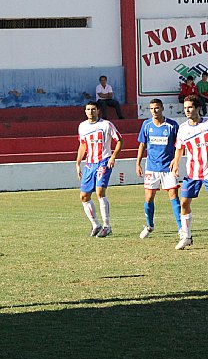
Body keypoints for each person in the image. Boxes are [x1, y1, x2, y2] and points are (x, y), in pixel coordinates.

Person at [76, 101, 124, 238]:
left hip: (103, 161)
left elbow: (120, 140)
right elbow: (82, 145)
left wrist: (113, 156)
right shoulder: (82, 126)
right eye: (88, 109)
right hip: (89, 164)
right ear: (85, 111)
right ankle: (95, 225)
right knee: (84, 196)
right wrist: (78, 162)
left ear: (98, 111)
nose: (90, 112)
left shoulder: (106, 125)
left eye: (93, 109)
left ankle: (107, 226)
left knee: (99, 192)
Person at [135, 98, 181, 239]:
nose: (154, 111)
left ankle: (181, 228)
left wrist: (175, 161)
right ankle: (149, 226)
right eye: (151, 109)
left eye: (156, 108)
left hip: (168, 168)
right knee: (149, 198)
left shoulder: (172, 125)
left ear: (162, 108)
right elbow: (142, 145)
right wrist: (138, 163)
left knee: (173, 196)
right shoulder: (146, 125)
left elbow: (179, 145)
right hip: (151, 168)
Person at [171, 95, 208, 250]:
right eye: (185, 108)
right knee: (184, 203)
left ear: (198, 108)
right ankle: (186, 236)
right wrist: (175, 163)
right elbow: (180, 147)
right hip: (192, 172)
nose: (187, 110)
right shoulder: (183, 128)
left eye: (190, 107)